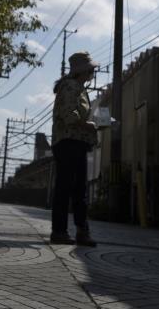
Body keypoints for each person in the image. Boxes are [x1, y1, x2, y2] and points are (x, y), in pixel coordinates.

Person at [49, 51, 99, 247]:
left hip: (75, 142)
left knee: (78, 189)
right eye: (91, 69)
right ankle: (61, 231)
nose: (93, 72)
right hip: (69, 142)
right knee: (68, 188)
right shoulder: (71, 86)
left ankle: (80, 231)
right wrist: (90, 125)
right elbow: (70, 116)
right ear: (82, 70)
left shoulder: (78, 87)